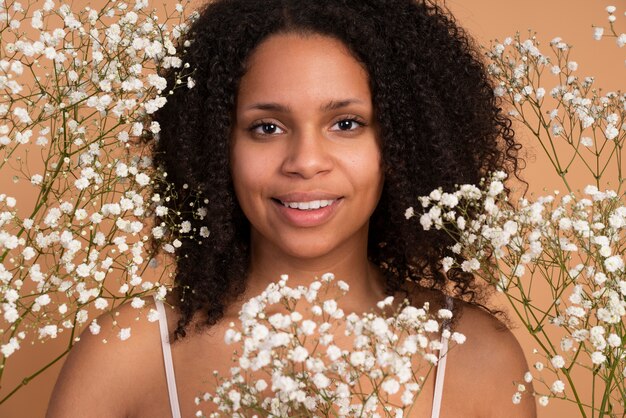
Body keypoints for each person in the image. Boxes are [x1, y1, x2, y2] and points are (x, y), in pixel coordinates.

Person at [47, 0, 537, 417]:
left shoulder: (478, 358)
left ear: (407, 145)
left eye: (346, 123)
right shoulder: (127, 356)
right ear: (216, 148)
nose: (305, 163)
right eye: (267, 127)